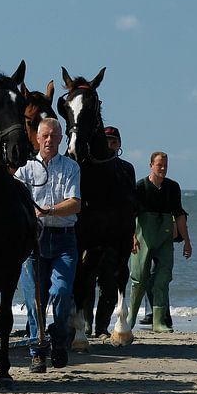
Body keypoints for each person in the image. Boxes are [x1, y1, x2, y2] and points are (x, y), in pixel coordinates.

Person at [15, 118, 81, 373]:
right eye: (45, 136)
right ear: (37, 138)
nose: (49, 140)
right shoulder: (25, 169)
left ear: (61, 138)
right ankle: (37, 352)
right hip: (33, 240)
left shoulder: (71, 167)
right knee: (34, 299)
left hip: (64, 237)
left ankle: (60, 337)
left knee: (62, 292)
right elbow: (17, 201)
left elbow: (74, 202)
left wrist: (46, 210)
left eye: (54, 136)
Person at [81, 126, 136, 338]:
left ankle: (102, 327)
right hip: (92, 235)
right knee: (86, 281)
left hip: (117, 235)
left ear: (119, 145)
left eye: (113, 142)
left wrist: (132, 233)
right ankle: (86, 324)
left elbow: (132, 203)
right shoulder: (90, 168)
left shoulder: (126, 169)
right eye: (106, 141)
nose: (110, 146)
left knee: (110, 283)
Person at [128, 151, 192, 333]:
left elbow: (179, 215)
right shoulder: (140, 186)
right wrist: (131, 237)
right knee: (139, 278)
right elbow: (131, 214)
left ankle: (159, 322)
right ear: (151, 166)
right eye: (159, 165)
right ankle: (131, 318)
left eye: (165, 165)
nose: (163, 168)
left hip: (165, 239)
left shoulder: (172, 187)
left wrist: (187, 241)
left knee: (163, 279)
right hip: (143, 238)